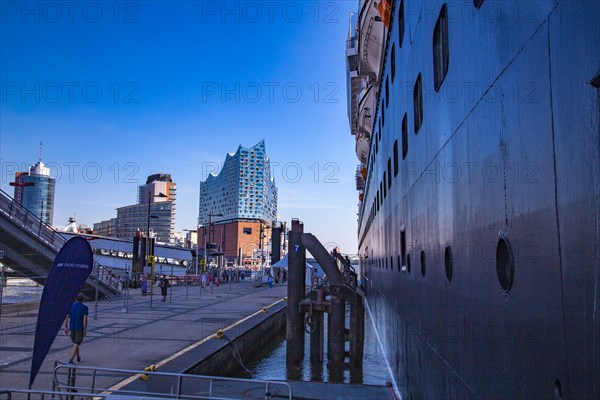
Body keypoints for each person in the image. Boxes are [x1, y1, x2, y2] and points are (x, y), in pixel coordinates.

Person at [64, 293, 88, 364]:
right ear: (82, 300)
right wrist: (85, 329)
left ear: (76, 299)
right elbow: (85, 319)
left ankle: (78, 357)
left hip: (72, 328)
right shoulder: (85, 307)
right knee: (76, 343)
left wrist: (65, 327)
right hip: (79, 328)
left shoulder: (71, 306)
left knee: (76, 343)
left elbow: (67, 317)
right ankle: (71, 359)